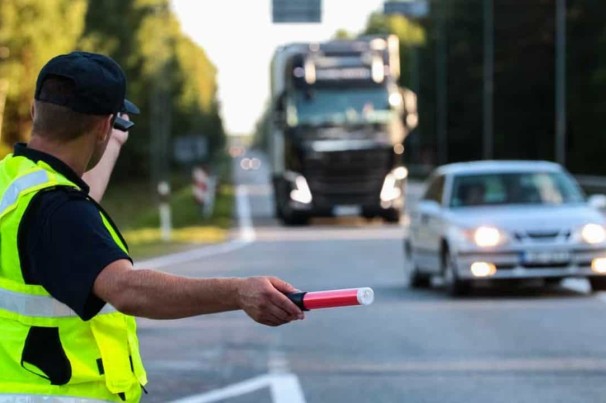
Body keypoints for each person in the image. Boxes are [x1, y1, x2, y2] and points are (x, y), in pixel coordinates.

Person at [0, 51, 304, 402]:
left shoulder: (15, 185)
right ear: (103, 125)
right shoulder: (58, 210)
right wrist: (238, 292)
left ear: (35, 111)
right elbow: (128, 289)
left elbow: (70, 225)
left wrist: (111, 141)